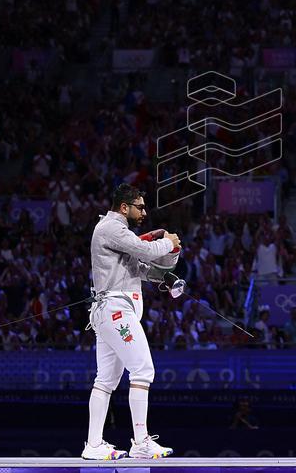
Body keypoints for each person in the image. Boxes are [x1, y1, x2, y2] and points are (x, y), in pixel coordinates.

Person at [82, 184, 182, 460]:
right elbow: (144, 250)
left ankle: (93, 445)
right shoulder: (110, 228)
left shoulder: (119, 235)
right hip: (115, 311)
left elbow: (145, 268)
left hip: (111, 312)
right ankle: (141, 442)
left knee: (106, 381)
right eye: (140, 206)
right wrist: (168, 242)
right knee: (143, 370)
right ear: (124, 207)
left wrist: (171, 258)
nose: (144, 212)